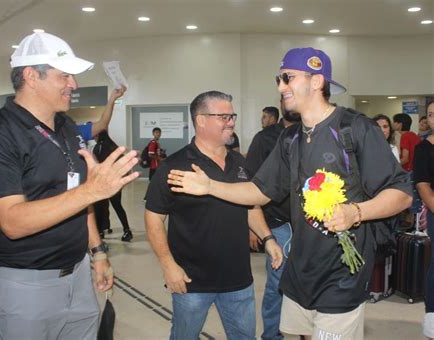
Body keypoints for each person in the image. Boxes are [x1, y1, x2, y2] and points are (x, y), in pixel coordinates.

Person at [168, 47, 412, 339]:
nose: (280, 86)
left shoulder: (355, 128)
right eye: (279, 79)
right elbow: (259, 191)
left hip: (342, 274)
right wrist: (209, 186)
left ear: (317, 81)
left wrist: (355, 212)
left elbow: (401, 192)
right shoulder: (290, 138)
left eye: (288, 77)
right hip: (299, 269)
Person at [0, 31, 139, 339]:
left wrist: (98, 252)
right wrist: (92, 190)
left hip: (77, 274)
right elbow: (12, 221)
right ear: (31, 76)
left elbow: (76, 197)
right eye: (65, 76)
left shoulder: (66, 126)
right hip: (23, 284)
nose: (73, 84)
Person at [145, 90, 283, 339]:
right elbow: (154, 218)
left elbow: (251, 205)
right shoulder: (174, 166)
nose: (231, 122)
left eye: (232, 116)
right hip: (191, 281)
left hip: (239, 279)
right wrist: (168, 265)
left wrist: (267, 238)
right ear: (200, 120)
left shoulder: (241, 164)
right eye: (223, 116)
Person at [245, 106, 291, 340]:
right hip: (277, 223)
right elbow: (251, 183)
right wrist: (254, 227)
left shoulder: (316, 133)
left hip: (314, 224)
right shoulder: (265, 138)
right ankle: (272, 335)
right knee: (277, 284)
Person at [413, 101, 434, 339]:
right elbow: (423, 186)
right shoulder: (423, 149)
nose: (432, 117)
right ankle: (432, 316)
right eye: (429, 114)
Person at [93, 130, 133, 242]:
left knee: (100, 207)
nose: (94, 137)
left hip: (104, 182)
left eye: (95, 135)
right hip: (116, 182)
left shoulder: (98, 147)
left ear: (98, 135)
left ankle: (100, 232)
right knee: (117, 206)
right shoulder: (113, 146)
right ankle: (127, 230)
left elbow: (97, 165)